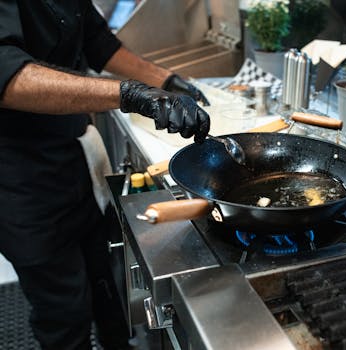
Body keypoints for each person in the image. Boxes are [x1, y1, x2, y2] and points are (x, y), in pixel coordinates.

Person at [0, 1, 210, 349]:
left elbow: (98, 41)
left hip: (69, 152)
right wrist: (129, 95)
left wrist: (166, 81)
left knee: (105, 283)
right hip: (17, 174)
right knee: (63, 309)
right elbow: (5, 75)